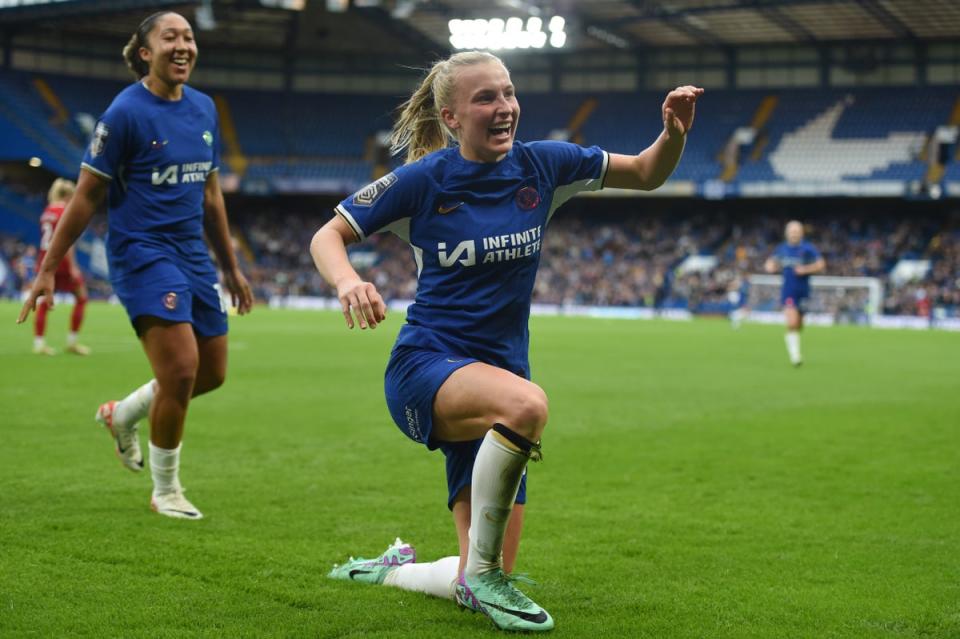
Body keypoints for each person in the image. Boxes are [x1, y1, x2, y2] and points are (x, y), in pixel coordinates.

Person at [311, 50, 702, 632]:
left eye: (509, 93)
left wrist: (671, 135)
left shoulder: (544, 166)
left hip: (497, 378)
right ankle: (487, 573)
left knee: (475, 575)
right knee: (528, 405)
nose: (504, 108)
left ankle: (392, 570)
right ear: (450, 117)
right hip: (428, 370)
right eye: (486, 98)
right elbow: (329, 234)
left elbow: (646, 172)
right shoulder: (424, 181)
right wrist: (349, 281)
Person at [18, 11, 253, 520]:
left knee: (210, 373)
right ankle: (165, 490)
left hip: (192, 254)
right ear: (145, 52)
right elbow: (84, 197)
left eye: (189, 36)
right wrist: (46, 269)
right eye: (170, 37)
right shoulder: (124, 113)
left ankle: (121, 414)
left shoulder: (204, 108)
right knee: (181, 371)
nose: (183, 45)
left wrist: (231, 268)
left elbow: (211, 196)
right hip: (143, 253)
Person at [32, 178, 92, 356]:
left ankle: (39, 343)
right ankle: (72, 342)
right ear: (68, 195)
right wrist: (73, 266)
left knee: (44, 301)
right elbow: (67, 242)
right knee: (82, 298)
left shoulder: (46, 212)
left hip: (45, 260)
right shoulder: (66, 211)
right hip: (61, 261)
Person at [764, 220, 825, 366]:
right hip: (788, 291)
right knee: (791, 322)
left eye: (797, 231)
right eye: (792, 231)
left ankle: (793, 342)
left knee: (799, 325)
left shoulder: (808, 248)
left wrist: (805, 270)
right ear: (787, 233)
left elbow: (821, 265)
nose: (794, 234)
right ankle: (795, 356)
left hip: (803, 291)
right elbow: (770, 263)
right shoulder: (781, 249)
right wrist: (770, 267)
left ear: (801, 233)